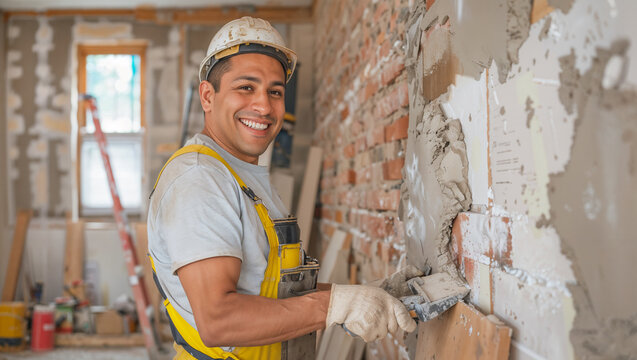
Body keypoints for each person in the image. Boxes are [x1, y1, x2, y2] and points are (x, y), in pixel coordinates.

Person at [147, 16, 417, 360]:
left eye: (275, 92)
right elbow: (219, 320)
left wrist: (361, 296)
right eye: (246, 87)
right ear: (207, 96)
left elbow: (266, 291)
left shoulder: (242, 176)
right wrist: (334, 306)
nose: (263, 106)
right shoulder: (200, 179)